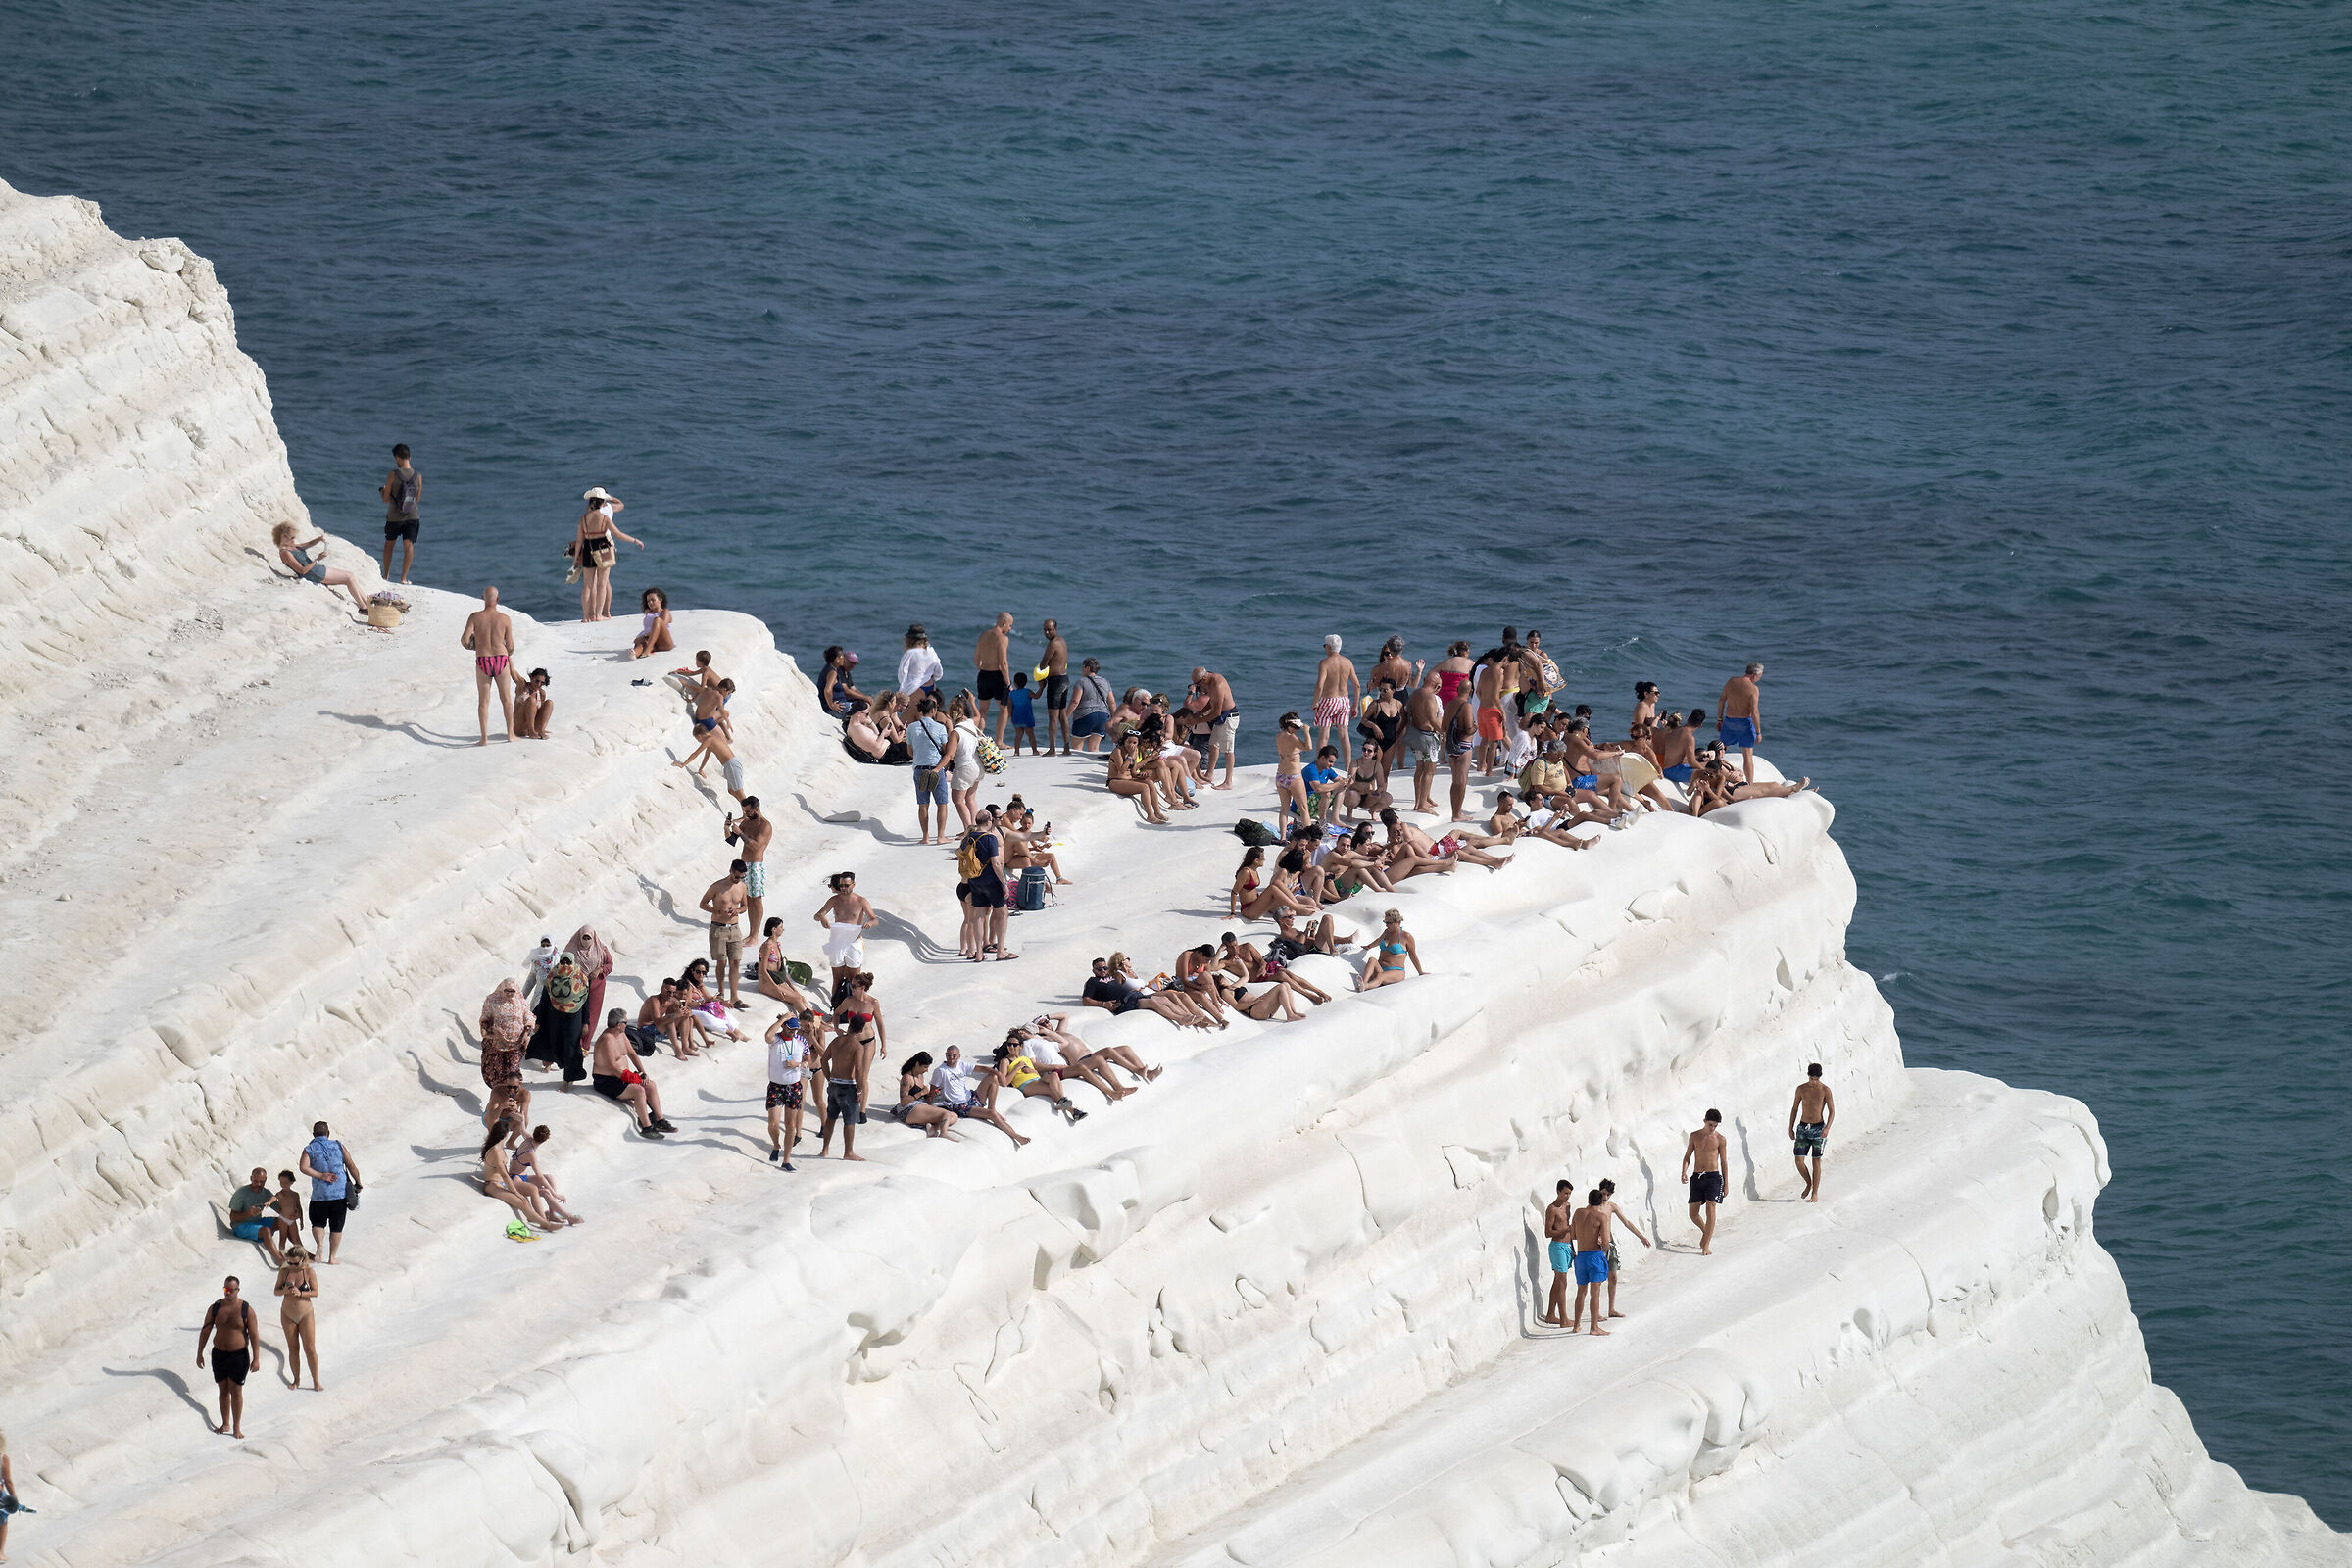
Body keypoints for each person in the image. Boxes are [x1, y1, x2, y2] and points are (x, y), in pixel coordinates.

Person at [591, 1011, 673, 1138]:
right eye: (625, 1022)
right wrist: (635, 1078)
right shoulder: (606, 1040)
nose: (627, 1024)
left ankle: (659, 1119)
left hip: (623, 1076)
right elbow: (613, 1068)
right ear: (619, 1024)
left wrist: (643, 1073)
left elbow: (632, 1054)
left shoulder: (621, 1034)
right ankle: (646, 1127)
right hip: (606, 1080)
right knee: (639, 1090)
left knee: (650, 1085)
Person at [927, 1045, 1028, 1147]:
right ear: (945, 1055)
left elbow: (983, 1069)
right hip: (960, 1105)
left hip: (970, 1096)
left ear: (959, 1056)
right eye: (948, 1055)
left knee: (992, 1077)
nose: (951, 1057)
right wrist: (931, 1101)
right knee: (991, 1115)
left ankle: (992, 1108)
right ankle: (1017, 1136)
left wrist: (999, 1074)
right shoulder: (940, 1071)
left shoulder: (961, 1065)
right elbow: (932, 1091)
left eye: (954, 1055)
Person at [196, 1276, 260, 1437]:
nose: (228, 1292)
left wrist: (256, 1358)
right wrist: (200, 1353)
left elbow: (254, 1335)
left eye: (231, 1290)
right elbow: (205, 1330)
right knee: (223, 1389)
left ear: (238, 1290)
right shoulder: (215, 1308)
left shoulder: (246, 1310)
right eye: (226, 1289)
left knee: (236, 1390)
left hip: (238, 1355)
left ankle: (237, 1427)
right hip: (219, 1354)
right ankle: (225, 1424)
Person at [1081, 956, 1215, 1028]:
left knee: (1164, 999)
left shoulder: (1110, 977)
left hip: (1133, 995)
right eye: (1100, 969)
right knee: (1154, 1002)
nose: (1103, 970)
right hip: (1124, 1003)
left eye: (1104, 967)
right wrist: (1103, 1004)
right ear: (1094, 971)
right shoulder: (1093, 982)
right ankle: (1180, 1019)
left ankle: (1188, 1016)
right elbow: (1086, 1000)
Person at [572, 486, 643, 623]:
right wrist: (635, 540)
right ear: (602, 502)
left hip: (588, 548)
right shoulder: (604, 518)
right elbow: (618, 534)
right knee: (602, 583)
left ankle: (586, 617)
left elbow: (580, 540)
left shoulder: (583, 518)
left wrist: (576, 559)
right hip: (603, 548)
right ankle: (599, 615)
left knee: (587, 585)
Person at [459, 585, 518, 746]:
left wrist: (475, 646)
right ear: (497, 599)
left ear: (482, 598)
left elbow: (464, 640)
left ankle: (484, 738)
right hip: (501, 659)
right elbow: (511, 646)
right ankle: (510, 734)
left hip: (483, 660)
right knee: (506, 699)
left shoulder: (475, 617)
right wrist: (506, 652)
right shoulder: (505, 619)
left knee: (483, 701)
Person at [270, 522, 371, 612]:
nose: (294, 540)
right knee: (348, 578)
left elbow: (309, 544)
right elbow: (302, 570)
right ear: (283, 536)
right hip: (312, 573)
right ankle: (363, 607)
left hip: (316, 569)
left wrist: (319, 539)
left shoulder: (292, 546)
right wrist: (317, 559)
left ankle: (367, 605)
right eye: (291, 538)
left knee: (350, 576)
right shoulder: (285, 553)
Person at [298, 1121, 359, 1264]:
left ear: (313, 1134)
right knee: (336, 1226)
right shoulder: (338, 1145)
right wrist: (358, 1182)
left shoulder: (309, 1149)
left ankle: (319, 1245)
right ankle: (332, 1257)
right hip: (339, 1193)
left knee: (318, 1223)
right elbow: (351, 1165)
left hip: (320, 1194)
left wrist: (320, 1175)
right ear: (328, 1133)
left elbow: (303, 1167)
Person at [1592, 1178, 1652, 1318]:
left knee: (1613, 1278)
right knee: (1598, 1280)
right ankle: (1596, 1312)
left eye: (1608, 1194)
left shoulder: (1611, 1207)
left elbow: (1627, 1223)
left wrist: (1641, 1237)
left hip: (1610, 1245)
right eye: (1603, 1194)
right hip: (1597, 1247)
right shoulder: (1593, 1207)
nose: (1605, 1197)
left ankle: (1611, 1309)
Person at [812, 871, 876, 996]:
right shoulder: (834, 900)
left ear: (853, 885)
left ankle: (854, 1009)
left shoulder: (861, 901)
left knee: (856, 980)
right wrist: (822, 918)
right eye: (841, 885)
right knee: (837, 979)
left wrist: (870, 924)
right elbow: (817, 915)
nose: (843, 888)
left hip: (854, 942)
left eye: (846, 886)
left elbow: (874, 919)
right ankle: (835, 1009)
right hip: (837, 942)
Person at [700, 860, 752, 1008]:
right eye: (736, 876)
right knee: (722, 962)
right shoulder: (717, 886)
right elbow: (702, 903)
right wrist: (717, 911)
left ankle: (735, 997)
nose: (738, 879)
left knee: (735, 962)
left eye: (741, 877)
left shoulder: (741, 886)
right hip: (718, 928)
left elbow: (745, 906)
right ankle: (721, 993)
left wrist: (739, 911)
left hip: (734, 928)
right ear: (730, 870)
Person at [765, 1012, 813, 1168]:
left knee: (790, 1125)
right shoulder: (775, 1040)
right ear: (784, 1026)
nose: (793, 1032)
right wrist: (782, 1019)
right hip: (776, 1086)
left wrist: (796, 1065)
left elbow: (808, 1062)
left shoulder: (801, 1041)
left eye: (795, 1030)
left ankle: (786, 1160)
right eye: (790, 1029)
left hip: (793, 1087)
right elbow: (767, 1035)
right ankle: (776, 1145)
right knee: (773, 1124)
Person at [508, 1124, 582, 1226]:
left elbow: (522, 1129)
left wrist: (522, 1119)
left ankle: (552, 1214)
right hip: (516, 1179)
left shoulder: (529, 1139)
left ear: (534, 1133)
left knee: (550, 1178)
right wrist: (556, 1195)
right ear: (545, 1140)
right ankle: (568, 1217)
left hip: (521, 1176)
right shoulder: (531, 1153)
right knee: (546, 1192)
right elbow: (539, 1176)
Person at [815, 1022, 867, 1161]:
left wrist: (829, 1078)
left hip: (834, 1084)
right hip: (848, 1086)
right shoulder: (858, 1046)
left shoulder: (837, 1040)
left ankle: (825, 1149)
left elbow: (824, 1060)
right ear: (861, 1030)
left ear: (849, 1026)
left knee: (831, 1117)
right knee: (849, 1120)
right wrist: (860, 1090)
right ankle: (848, 1152)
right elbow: (859, 1070)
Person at [274, 1245, 322, 1391]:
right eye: (290, 1262)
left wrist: (300, 1293)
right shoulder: (284, 1272)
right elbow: (276, 1291)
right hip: (287, 1314)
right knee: (293, 1347)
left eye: (296, 1263)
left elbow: (315, 1292)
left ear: (303, 1260)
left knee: (310, 1348)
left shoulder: (308, 1272)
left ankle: (316, 1380)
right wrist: (285, 1290)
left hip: (305, 1313)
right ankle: (296, 1379)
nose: (293, 1265)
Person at [1567, 1190, 1614, 1335]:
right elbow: (1606, 1242)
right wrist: (1603, 1246)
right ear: (1601, 1202)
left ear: (1588, 1200)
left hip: (1581, 1257)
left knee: (1581, 1292)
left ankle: (1576, 1325)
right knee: (1595, 1293)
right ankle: (1594, 1327)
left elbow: (1573, 1235)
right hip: (1595, 1256)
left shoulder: (1578, 1213)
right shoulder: (1602, 1216)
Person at [1683, 1108, 1729, 1254]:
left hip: (1714, 1177)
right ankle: (1706, 1232)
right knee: (1693, 1214)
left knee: (1711, 1208)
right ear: (1704, 1121)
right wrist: (1683, 1171)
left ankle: (1706, 1245)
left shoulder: (1720, 1139)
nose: (1712, 1128)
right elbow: (1687, 1156)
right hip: (1697, 1177)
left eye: (1715, 1125)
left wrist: (1726, 1183)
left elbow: (1724, 1162)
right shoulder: (1694, 1136)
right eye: (1710, 1125)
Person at [728, 798, 774, 942]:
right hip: (744, 865)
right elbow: (731, 841)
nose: (745, 814)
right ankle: (750, 933)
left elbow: (756, 846)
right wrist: (727, 829)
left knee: (756, 900)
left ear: (756, 809)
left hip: (755, 866)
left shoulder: (765, 825)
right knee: (747, 900)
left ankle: (755, 935)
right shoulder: (746, 822)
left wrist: (740, 832)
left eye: (748, 811)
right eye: (744, 811)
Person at [1310, 635, 1361, 764]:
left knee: (1324, 736)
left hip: (1328, 700)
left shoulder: (1325, 663)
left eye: (1324, 646)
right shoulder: (1348, 662)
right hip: (1344, 701)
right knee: (1344, 735)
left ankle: (1320, 767)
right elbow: (1357, 685)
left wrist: (1316, 702)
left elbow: (1320, 685)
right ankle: (1349, 767)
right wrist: (1355, 706)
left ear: (1328, 647)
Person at [377, 442, 422, 583]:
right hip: (412, 515)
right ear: (409, 457)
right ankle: (403, 578)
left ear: (397, 457)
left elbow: (385, 499)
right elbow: (417, 499)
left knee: (389, 544)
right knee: (408, 545)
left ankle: (386, 576)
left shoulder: (393, 474)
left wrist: (382, 491)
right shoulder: (418, 476)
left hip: (395, 517)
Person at [1790, 1063, 1836, 1201]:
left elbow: (1832, 1111)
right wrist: (1790, 1127)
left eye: (1816, 1078)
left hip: (1818, 1129)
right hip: (1803, 1128)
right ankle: (1809, 1183)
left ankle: (1814, 1193)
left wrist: (1827, 1128)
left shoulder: (1825, 1090)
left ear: (1820, 1076)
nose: (1814, 1081)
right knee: (1799, 1161)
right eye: (1812, 1078)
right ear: (1808, 1075)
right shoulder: (1801, 1089)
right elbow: (1795, 1109)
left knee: (1816, 1161)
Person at [1404, 669, 1445, 815]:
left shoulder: (1415, 694)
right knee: (1429, 770)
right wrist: (1444, 732)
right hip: (1428, 738)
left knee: (1420, 768)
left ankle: (1420, 800)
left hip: (1416, 735)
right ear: (1437, 686)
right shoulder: (1430, 697)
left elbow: (1406, 711)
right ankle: (1422, 804)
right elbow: (1433, 720)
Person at [228, 1165, 286, 1264]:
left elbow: (281, 1210)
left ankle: (294, 1251)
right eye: (256, 1181)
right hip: (240, 1226)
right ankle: (280, 1260)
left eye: (261, 1182)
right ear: (251, 1179)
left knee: (283, 1222)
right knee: (266, 1231)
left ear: (265, 1180)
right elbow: (233, 1217)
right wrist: (248, 1214)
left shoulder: (266, 1193)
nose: (258, 1184)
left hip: (257, 1222)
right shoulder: (241, 1193)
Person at [974, 612, 1016, 743]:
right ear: (1004, 623)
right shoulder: (1002, 638)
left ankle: (977, 739)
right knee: (1004, 709)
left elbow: (976, 660)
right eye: (1010, 626)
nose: (1010, 629)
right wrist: (1009, 684)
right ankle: (999, 741)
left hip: (983, 675)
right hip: (997, 677)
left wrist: (984, 669)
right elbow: (1003, 663)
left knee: (982, 711)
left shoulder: (983, 635)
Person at [1718, 662, 1764, 782]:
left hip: (1729, 721)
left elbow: (1722, 700)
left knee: (1720, 750)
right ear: (1755, 675)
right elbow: (1754, 712)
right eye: (1760, 676)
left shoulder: (1731, 681)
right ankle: (1750, 785)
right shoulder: (1754, 689)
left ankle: (1715, 775)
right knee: (1748, 757)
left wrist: (1719, 719)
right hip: (1745, 723)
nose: (1760, 678)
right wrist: (1758, 732)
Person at [1360, 908, 1423, 991]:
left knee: (1380, 976)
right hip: (1381, 968)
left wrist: (1420, 972)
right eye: (1385, 922)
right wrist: (1368, 946)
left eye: (1389, 923)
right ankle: (1364, 982)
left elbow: (1413, 955)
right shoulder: (1386, 932)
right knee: (1372, 960)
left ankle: (1366, 986)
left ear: (1397, 922)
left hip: (1397, 972)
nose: (1386, 925)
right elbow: (1378, 941)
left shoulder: (1406, 936)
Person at [1542, 1180, 1575, 1327]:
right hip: (1557, 1246)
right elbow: (1548, 1232)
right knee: (1562, 1281)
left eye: (1569, 1193)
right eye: (1565, 1193)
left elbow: (1570, 1227)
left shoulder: (1568, 1206)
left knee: (1557, 1282)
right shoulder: (1552, 1209)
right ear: (1558, 1191)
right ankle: (1564, 1319)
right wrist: (1565, 1231)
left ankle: (1550, 1315)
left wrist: (1573, 1248)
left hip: (1567, 1246)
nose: (1567, 1196)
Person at [755, 919, 809, 1009]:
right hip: (766, 982)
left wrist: (791, 986)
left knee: (801, 998)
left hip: (777, 979)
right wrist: (776, 988)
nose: (783, 929)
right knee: (796, 999)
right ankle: (809, 1022)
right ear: (774, 929)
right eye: (781, 927)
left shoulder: (777, 944)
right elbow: (764, 971)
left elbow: (781, 969)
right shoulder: (767, 946)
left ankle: (818, 1021)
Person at [1038, 618, 1073, 754]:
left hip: (1056, 682)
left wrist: (1040, 675)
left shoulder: (1052, 644)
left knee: (1053, 717)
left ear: (1055, 629)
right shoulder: (1062, 641)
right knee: (1062, 715)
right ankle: (1066, 748)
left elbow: (1043, 664)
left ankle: (1052, 749)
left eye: (1049, 629)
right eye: (1044, 630)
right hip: (1065, 679)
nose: (1046, 632)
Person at [1068, 657, 1115, 752]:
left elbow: (1075, 701)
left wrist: (1065, 716)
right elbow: (1112, 702)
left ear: (1088, 668)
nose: (1081, 670)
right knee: (1094, 748)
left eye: (1082, 667)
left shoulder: (1081, 681)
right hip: (1103, 717)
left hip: (1085, 716)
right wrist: (1114, 720)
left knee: (1077, 748)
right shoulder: (1106, 682)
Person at [898, 623, 945, 705]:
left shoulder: (910, 653)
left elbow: (902, 674)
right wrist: (935, 677)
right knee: (928, 715)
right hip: (931, 687)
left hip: (915, 689)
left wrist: (903, 691)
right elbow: (939, 672)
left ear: (909, 639)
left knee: (910, 716)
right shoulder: (931, 651)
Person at [1301, 746, 1347, 822]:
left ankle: (1335, 819)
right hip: (1302, 807)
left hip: (1315, 805)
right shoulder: (1311, 769)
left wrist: (1348, 781)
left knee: (1342, 787)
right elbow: (1318, 788)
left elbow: (1340, 780)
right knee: (1326, 793)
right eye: (1330, 762)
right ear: (1322, 758)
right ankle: (1322, 820)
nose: (1332, 765)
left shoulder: (1327, 769)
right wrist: (1339, 783)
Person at [508, 667, 552, 740]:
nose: (539, 684)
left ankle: (541, 730)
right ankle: (531, 731)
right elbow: (512, 670)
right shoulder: (523, 686)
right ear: (531, 678)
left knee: (549, 703)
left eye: (542, 683)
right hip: (519, 726)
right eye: (537, 681)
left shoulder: (541, 693)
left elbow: (540, 712)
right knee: (531, 699)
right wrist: (507, 656)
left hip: (533, 726)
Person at [1005, 672, 1040, 756]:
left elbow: (1009, 707)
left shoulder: (1012, 694)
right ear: (1026, 682)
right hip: (1027, 717)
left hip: (1017, 717)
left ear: (1015, 683)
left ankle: (1017, 751)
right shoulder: (1028, 692)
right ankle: (1035, 750)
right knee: (1031, 735)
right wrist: (1041, 688)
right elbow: (1037, 696)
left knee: (1018, 735)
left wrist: (1010, 717)